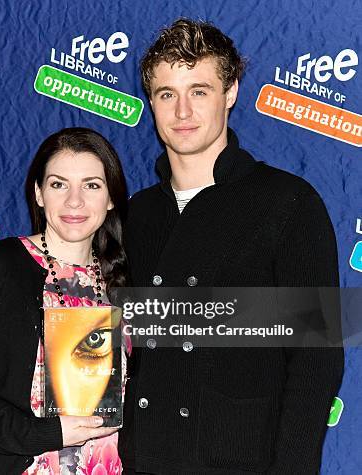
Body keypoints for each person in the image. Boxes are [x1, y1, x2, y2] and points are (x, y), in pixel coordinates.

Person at [119, 18, 344, 474]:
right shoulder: (136, 214)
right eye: (167, 94)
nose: (182, 112)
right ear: (151, 102)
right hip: (144, 458)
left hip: (240, 461)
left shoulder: (288, 202)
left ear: (231, 92)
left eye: (199, 91)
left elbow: (317, 361)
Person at [0, 127, 128, 474]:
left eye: (92, 185)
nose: (74, 201)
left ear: (111, 197)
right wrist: (45, 433)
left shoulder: (125, 283)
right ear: (38, 193)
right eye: (58, 184)